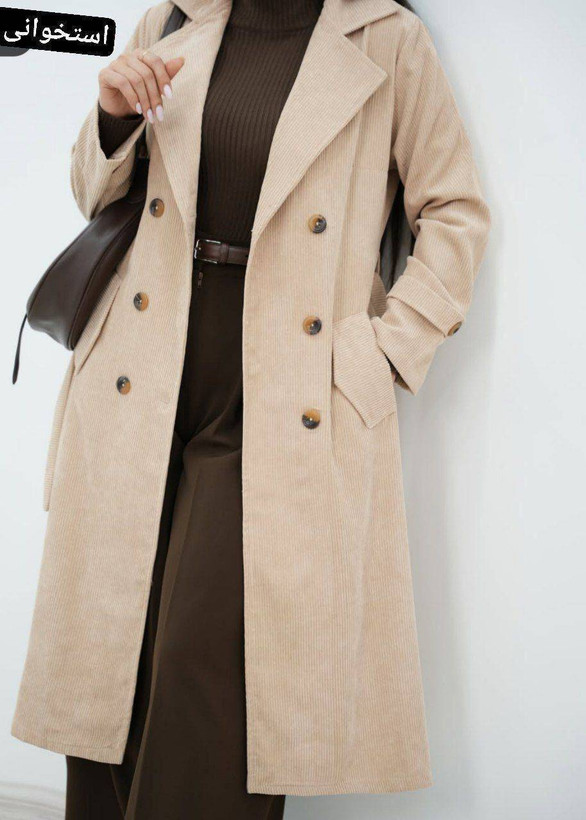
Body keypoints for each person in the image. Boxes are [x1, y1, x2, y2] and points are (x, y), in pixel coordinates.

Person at [12, 0, 491, 817]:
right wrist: (112, 114)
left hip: (285, 386)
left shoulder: (387, 40)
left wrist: (382, 352)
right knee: (112, 661)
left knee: (210, 669)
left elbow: (454, 212)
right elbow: (94, 196)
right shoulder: (173, 17)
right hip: (140, 364)